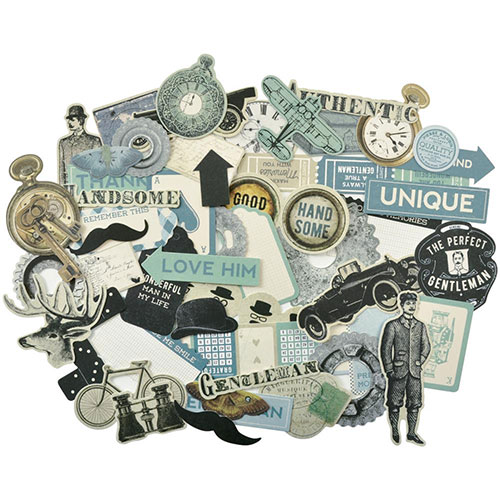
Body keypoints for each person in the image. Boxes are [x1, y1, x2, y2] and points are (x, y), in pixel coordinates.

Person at [380, 292, 430, 445]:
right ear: (401, 305)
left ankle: (412, 433)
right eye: (408, 303)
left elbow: (426, 347)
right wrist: (389, 369)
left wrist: (419, 362)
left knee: (415, 404)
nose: (411, 306)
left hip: (415, 373)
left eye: (414, 303)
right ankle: (395, 431)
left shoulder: (420, 326)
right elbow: (385, 349)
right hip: (397, 372)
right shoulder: (393, 325)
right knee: (394, 403)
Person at [58, 104, 102, 185]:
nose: (69, 122)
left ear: (81, 121)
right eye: (68, 120)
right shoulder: (63, 143)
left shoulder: (94, 141)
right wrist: (62, 188)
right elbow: (61, 170)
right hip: (69, 186)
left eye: (72, 120)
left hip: (87, 185)